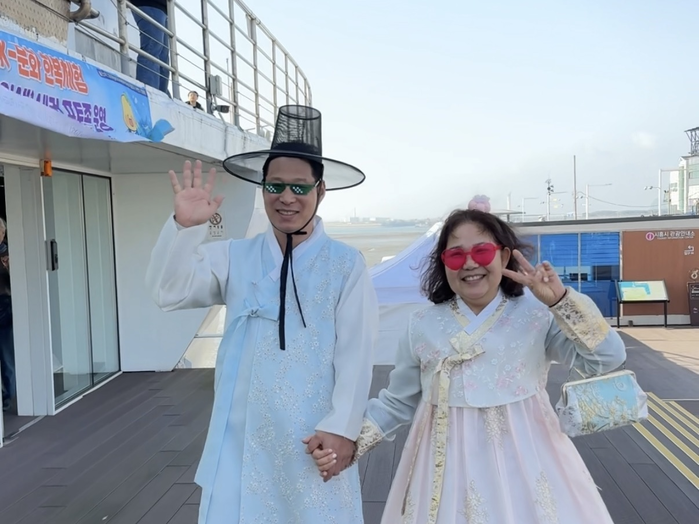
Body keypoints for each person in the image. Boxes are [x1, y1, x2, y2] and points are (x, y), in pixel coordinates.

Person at [310, 196, 626, 523]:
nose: (470, 264)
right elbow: (397, 403)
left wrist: (561, 301)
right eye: (456, 255)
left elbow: (607, 358)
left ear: (504, 256)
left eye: (482, 252)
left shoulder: (537, 315)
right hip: (444, 468)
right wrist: (345, 442)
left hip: (528, 461)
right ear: (443, 262)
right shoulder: (421, 324)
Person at [146, 105, 379, 524]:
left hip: (313, 437)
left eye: (299, 187)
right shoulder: (235, 255)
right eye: (275, 186)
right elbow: (169, 291)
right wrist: (185, 226)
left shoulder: (346, 265)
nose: (286, 197)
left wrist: (343, 428)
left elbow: (357, 355)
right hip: (240, 438)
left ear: (321, 191)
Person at [130, 0, 170, 94]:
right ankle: (148, 93)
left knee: (163, 58)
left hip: (163, 8)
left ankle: (160, 95)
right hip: (149, 3)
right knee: (152, 50)